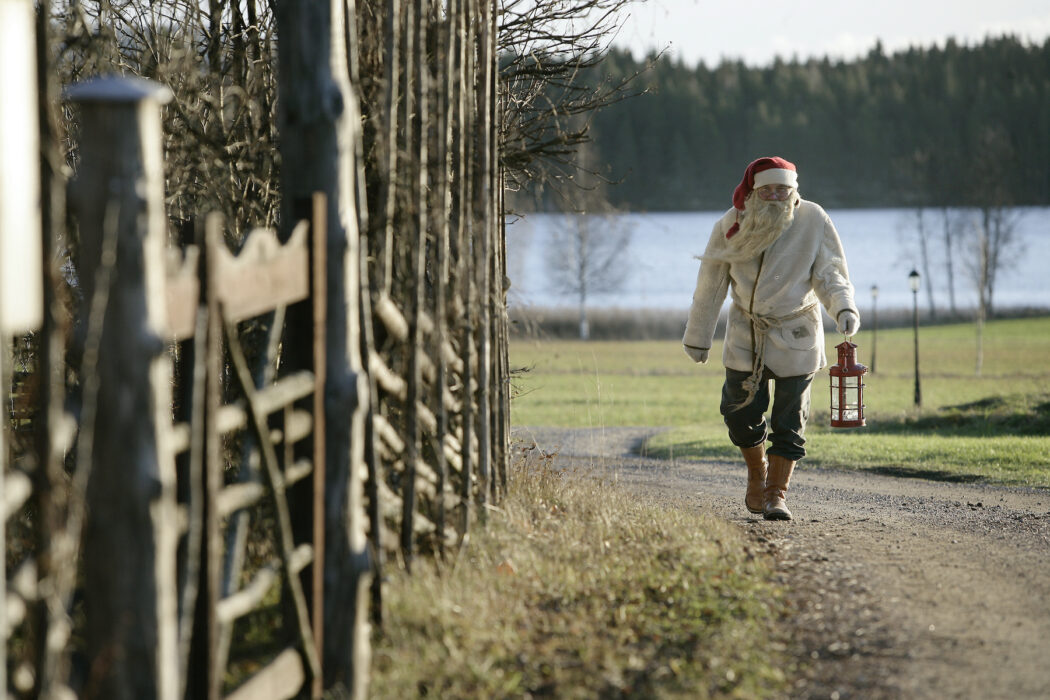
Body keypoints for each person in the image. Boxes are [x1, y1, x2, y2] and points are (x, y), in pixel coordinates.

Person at [683, 156, 860, 521]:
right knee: (738, 412)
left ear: (794, 191)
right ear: (754, 191)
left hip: (798, 332)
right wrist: (699, 337)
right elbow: (710, 286)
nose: (776, 196)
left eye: (783, 189)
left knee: (790, 419)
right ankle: (756, 474)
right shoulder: (730, 224)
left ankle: (777, 494)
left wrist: (843, 308)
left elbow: (831, 273)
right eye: (768, 189)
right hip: (745, 333)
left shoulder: (814, 219)